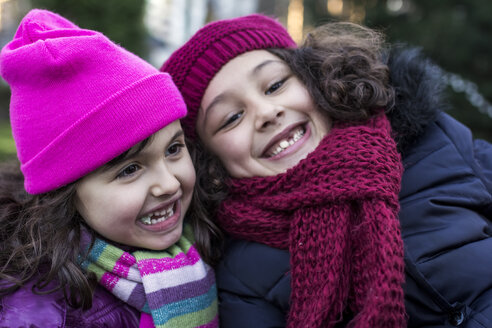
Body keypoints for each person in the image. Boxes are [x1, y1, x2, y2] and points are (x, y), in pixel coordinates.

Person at [161, 14, 492, 328]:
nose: (267, 112)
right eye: (231, 118)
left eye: (274, 85)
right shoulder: (241, 276)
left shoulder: (434, 142)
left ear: (315, 79)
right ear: (209, 165)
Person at [0, 9, 221, 328]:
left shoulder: (200, 244)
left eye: (173, 149)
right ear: (64, 196)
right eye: (130, 170)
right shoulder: (45, 316)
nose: (169, 184)